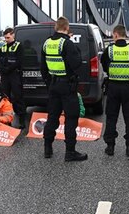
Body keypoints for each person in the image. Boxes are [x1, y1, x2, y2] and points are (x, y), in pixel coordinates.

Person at [40, 16, 87, 162]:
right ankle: (70, 152)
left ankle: (48, 149)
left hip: (53, 84)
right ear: (67, 28)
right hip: (67, 85)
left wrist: (50, 83)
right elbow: (77, 63)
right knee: (71, 118)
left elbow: (43, 68)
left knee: (52, 117)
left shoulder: (46, 43)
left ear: (56, 28)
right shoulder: (67, 43)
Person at [101, 24, 129, 157]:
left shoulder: (109, 50)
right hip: (127, 88)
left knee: (111, 116)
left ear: (115, 35)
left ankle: (110, 147)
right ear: (124, 35)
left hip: (112, 87)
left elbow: (104, 65)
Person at [0, 27, 26, 129]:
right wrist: (2, 68)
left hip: (14, 75)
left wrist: (9, 68)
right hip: (5, 76)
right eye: (5, 37)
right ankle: (6, 119)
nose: (6, 39)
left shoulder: (18, 46)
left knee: (18, 97)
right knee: (5, 97)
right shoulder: (3, 47)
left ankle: (21, 120)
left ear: (13, 35)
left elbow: (20, 61)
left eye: (8, 37)